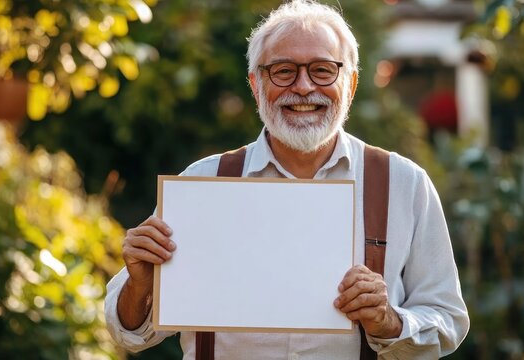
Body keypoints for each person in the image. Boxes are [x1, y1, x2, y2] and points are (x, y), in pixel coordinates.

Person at [105, 0, 470, 358]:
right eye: (283, 71)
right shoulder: (203, 182)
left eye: (323, 70)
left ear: (352, 83)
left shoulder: (404, 184)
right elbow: (132, 336)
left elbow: (447, 320)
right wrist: (139, 285)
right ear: (255, 83)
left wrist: (389, 321)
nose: (304, 87)